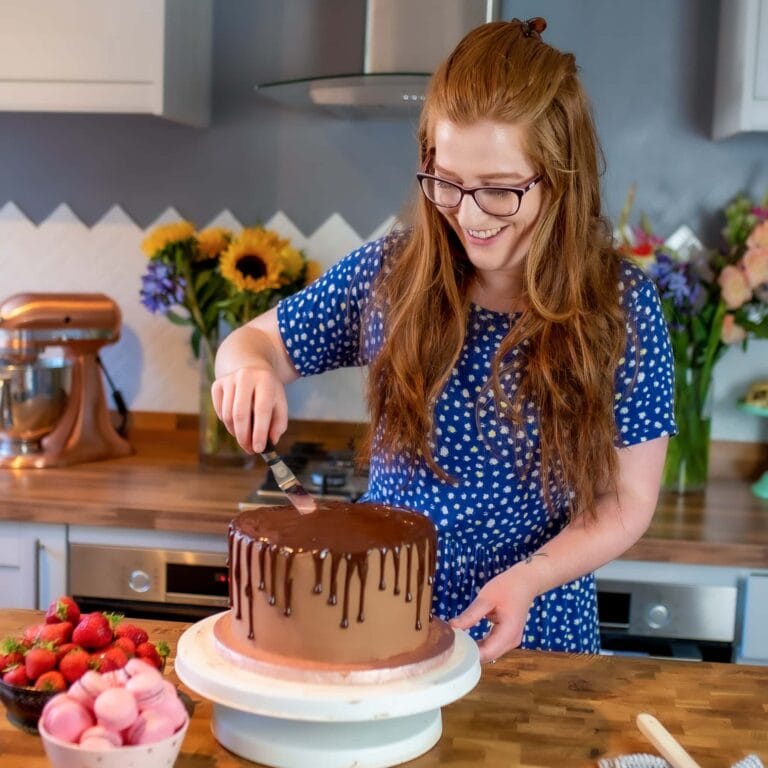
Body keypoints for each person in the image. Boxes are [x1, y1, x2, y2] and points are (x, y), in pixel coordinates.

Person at [212, 18, 676, 664]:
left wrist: (531, 577)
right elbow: (251, 344)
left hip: (533, 634)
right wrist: (247, 372)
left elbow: (626, 500)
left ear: (559, 178)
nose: (469, 215)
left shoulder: (621, 309)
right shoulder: (391, 274)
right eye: (448, 182)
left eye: (500, 191)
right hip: (380, 625)